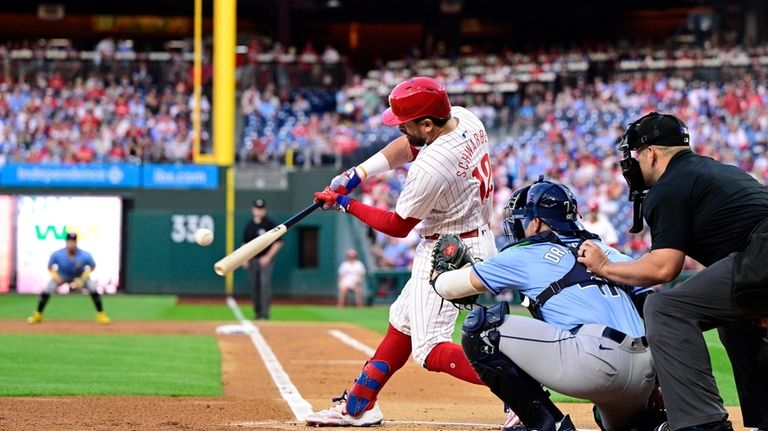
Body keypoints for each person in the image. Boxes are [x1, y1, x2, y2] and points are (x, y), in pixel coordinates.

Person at [306, 76, 505, 427]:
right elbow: (410, 145)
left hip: (450, 252)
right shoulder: (462, 117)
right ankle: (360, 405)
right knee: (402, 324)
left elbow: (398, 226)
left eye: (406, 123)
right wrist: (359, 172)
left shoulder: (433, 166)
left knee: (428, 349)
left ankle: (519, 393)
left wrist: (345, 204)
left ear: (427, 124)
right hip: (465, 238)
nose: (400, 127)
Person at [578, 112, 768, 431]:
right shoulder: (715, 171)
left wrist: (605, 266)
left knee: (664, 309)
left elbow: (664, 268)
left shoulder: (668, 187)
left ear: (650, 152)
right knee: (736, 322)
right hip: (758, 258)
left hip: (760, 257)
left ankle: (702, 423)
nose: (633, 164)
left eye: (636, 155)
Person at [432, 179, 662, 431]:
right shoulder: (611, 254)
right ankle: (653, 423)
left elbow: (449, 287)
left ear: (537, 222)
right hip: (645, 372)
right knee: (616, 421)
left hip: (594, 363)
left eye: (524, 219)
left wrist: (438, 276)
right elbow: (653, 309)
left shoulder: (528, 251)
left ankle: (547, 424)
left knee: (481, 331)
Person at [27, 232, 111, 325]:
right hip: (62, 275)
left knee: (93, 288)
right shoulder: (58, 254)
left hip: (79, 276)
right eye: (69, 241)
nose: (71, 244)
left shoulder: (84, 255)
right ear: (66, 242)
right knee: (48, 289)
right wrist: (56, 276)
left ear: (76, 242)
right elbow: (50, 267)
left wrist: (83, 279)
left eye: (73, 241)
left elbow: (92, 267)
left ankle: (101, 315)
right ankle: (38, 315)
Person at [242, 198, 283, 320]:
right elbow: (245, 244)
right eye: (257, 209)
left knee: (264, 285)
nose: (259, 211)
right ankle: (257, 312)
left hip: (265, 260)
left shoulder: (269, 223)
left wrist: (268, 257)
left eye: (261, 209)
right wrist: (244, 259)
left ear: (264, 210)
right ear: (253, 209)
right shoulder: (249, 225)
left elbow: (278, 243)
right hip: (253, 259)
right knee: (255, 286)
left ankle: (265, 313)